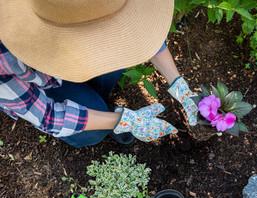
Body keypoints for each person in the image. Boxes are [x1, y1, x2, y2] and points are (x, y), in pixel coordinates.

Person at [0, 0, 199, 148]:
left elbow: (142, 33)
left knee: (116, 63)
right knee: (92, 134)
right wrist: (124, 121)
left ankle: (97, 102)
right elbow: (48, 116)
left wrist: (177, 82)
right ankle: (100, 112)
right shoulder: (4, 54)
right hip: (45, 84)